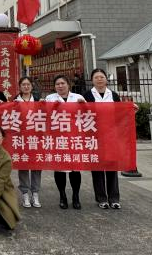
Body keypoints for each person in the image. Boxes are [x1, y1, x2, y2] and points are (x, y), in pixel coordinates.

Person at [83, 68, 123, 210]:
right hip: (94, 136)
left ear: (106, 79)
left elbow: (120, 114)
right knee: (97, 168)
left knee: (112, 167)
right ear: (92, 80)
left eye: (101, 77)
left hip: (111, 136)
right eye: (96, 77)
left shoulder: (114, 95)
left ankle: (114, 198)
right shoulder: (87, 95)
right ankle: (101, 198)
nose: (99, 79)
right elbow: (82, 115)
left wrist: (131, 111)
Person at [45, 74, 86, 210]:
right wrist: (52, 108)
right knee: (60, 169)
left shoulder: (78, 98)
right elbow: (43, 116)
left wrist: (84, 106)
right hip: (58, 138)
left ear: (69, 84)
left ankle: (76, 196)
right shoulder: (50, 98)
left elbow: (88, 116)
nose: (60, 86)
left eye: (63, 83)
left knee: (75, 169)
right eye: (57, 84)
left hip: (75, 138)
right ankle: (62, 196)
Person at [14, 76, 42, 208]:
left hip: (36, 138)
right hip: (21, 139)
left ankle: (35, 193)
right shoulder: (15, 101)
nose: (26, 87)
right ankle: (25, 193)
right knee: (23, 165)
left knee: (36, 166)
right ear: (20, 87)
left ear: (32, 86)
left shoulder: (38, 100)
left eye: (28, 84)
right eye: (23, 85)